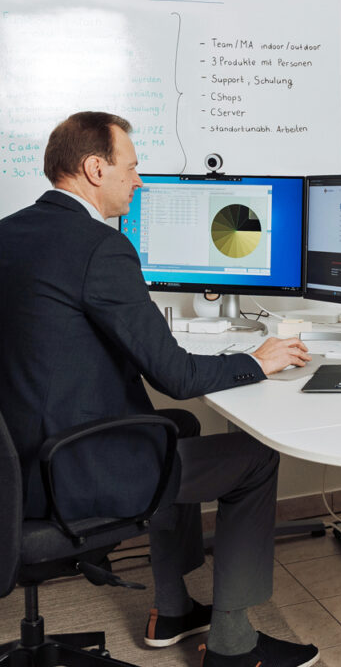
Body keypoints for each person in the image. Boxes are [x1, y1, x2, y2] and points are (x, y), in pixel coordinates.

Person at [0, 112, 319, 667]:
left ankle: (173, 609)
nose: (140, 181)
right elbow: (176, 376)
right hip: (68, 473)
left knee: (182, 428)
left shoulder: (8, 233)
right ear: (95, 168)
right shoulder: (101, 248)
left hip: (16, 467)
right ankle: (233, 646)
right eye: (132, 167)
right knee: (255, 457)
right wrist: (257, 360)